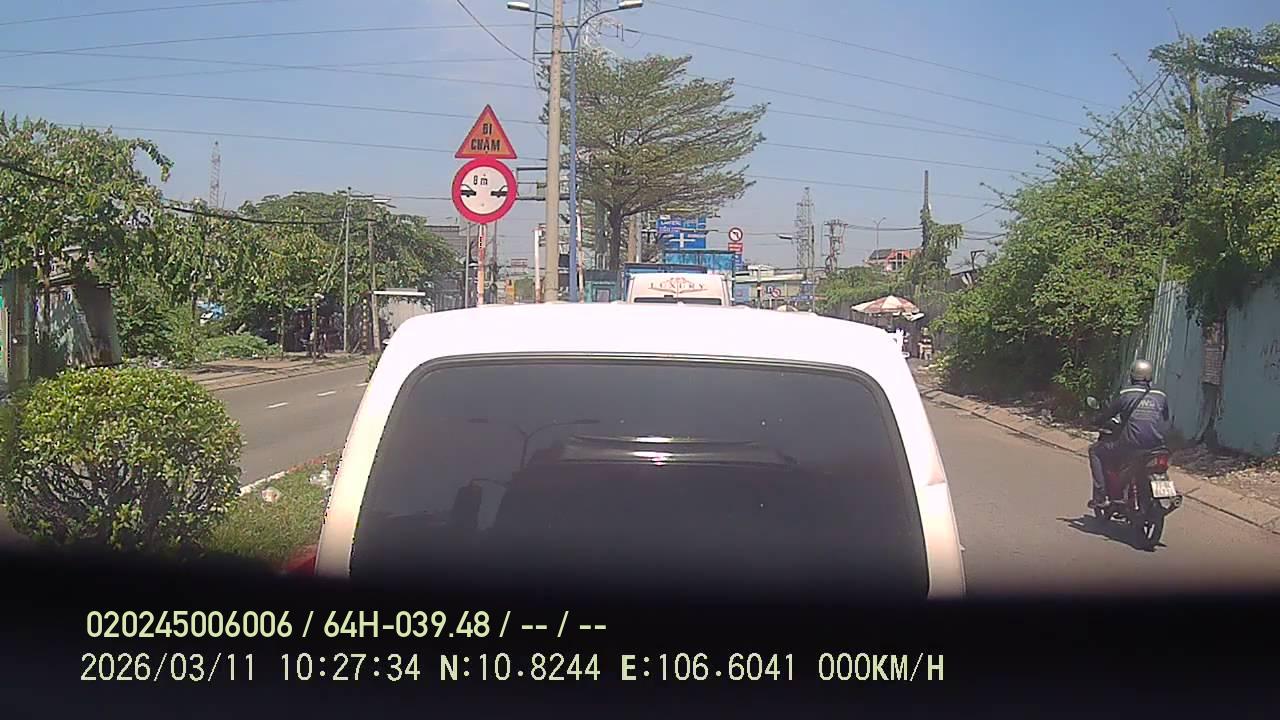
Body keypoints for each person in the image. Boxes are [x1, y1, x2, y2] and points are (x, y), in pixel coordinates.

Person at [1088, 359, 1170, 508]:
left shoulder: (1125, 394)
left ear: (1132, 375)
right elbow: (1165, 419)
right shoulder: (1161, 395)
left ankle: (1100, 496)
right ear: (1150, 376)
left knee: (1095, 451)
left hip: (1131, 445)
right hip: (1158, 446)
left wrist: (1095, 421)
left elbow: (1108, 414)